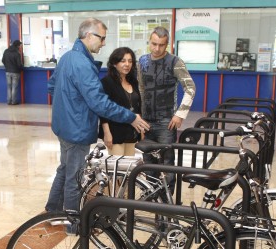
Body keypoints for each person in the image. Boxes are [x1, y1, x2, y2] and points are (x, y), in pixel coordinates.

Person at [45, 18, 150, 213]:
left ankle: (53, 210)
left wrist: (72, 103)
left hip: (64, 125)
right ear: (88, 35)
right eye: (101, 39)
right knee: (75, 177)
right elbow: (99, 103)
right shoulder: (83, 64)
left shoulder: (67, 57)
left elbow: (51, 86)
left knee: (65, 169)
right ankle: (72, 221)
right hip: (77, 128)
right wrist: (131, 117)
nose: (103, 43)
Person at [137, 26, 196, 191]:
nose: (157, 48)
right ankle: (152, 197)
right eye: (154, 44)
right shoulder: (142, 61)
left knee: (167, 163)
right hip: (145, 121)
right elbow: (141, 89)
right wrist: (138, 118)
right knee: (148, 163)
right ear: (149, 41)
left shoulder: (175, 62)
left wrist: (180, 114)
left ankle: (166, 205)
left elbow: (190, 88)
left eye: (161, 45)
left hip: (166, 122)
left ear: (167, 44)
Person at [99, 47, 141, 156]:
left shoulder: (133, 81)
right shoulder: (107, 82)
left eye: (130, 61)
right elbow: (103, 110)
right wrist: (107, 133)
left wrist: (141, 130)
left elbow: (137, 106)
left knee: (129, 168)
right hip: (115, 132)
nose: (127, 64)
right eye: (123, 61)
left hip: (132, 132)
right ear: (114, 63)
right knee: (117, 169)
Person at [2, 40, 24, 105]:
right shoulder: (17, 53)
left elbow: (3, 60)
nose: (20, 47)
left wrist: (7, 66)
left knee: (9, 87)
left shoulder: (6, 51)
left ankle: (9, 101)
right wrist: (21, 69)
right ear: (17, 45)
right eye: (20, 45)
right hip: (15, 72)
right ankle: (13, 101)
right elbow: (19, 64)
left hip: (7, 71)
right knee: (14, 87)